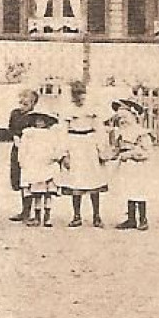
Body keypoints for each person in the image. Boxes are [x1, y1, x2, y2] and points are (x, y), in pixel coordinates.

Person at [61, 81, 109, 227]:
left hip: (89, 144)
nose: (80, 99)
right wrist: (65, 153)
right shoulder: (67, 110)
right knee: (76, 180)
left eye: (82, 95)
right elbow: (62, 133)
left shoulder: (92, 109)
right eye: (76, 96)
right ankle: (76, 216)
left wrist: (101, 149)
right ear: (72, 96)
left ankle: (96, 216)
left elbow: (99, 129)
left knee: (93, 180)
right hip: (74, 144)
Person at [109, 99, 155, 232]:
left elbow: (147, 152)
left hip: (137, 166)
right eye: (120, 118)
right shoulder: (120, 134)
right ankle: (131, 219)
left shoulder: (141, 133)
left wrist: (130, 154)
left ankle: (143, 219)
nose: (122, 121)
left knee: (138, 191)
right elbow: (116, 149)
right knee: (128, 190)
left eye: (125, 118)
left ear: (133, 117)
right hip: (125, 167)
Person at [17, 110, 66, 228]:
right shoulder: (29, 134)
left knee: (48, 193)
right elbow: (23, 150)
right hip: (35, 166)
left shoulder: (52, 134)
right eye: (37, 120)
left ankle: (47, 217)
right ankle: (37, 217)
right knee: (37, 193)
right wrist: (23, 162)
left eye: (43, 120)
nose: (40, 122)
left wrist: (55, 157)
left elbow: (58, 147)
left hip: (48, 165)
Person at [0, 89, 42, 222]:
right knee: (18, 178)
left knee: (31, 179)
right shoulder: (15, 114)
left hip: (32, 150)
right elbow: (10, 129)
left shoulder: (36, 116)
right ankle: (25, 211)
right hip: (17, 148)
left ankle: (34, 210)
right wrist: (14, 137)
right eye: (21, 103)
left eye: (26, 104)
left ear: (33, 104)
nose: (22, 106)